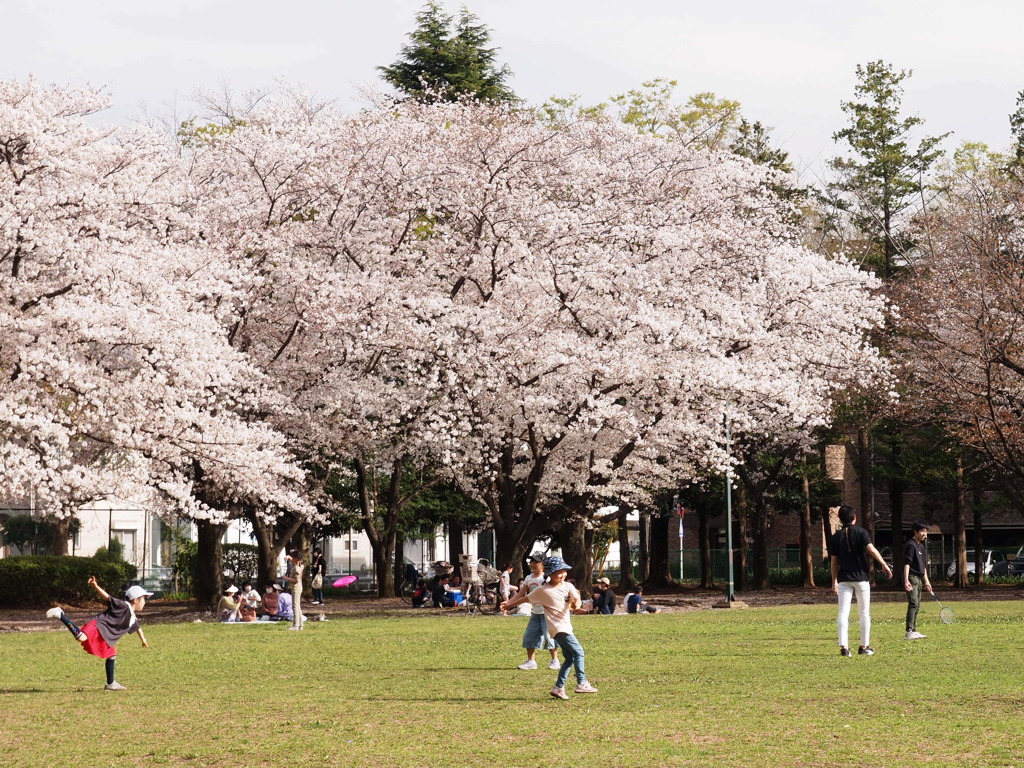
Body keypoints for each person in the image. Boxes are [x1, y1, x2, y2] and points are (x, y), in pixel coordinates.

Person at [501, 556, 596, 699]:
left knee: (570, 657)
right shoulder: (543, 590)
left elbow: (575, 606)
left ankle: (558, 688)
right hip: (557, 628)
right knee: (579, 651)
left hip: (566, 626)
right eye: (559, 572)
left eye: (564, 571)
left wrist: (576, 602)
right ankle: (581, 683)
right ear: (550, 573)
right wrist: (508, 605)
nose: (563, 574)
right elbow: (525, 598)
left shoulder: (568, 586)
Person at [46, 577, 151, 691]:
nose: (145, 602)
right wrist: (95, 586)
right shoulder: (123, 605)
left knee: (112, 654)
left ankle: (110, 684)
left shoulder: (131, 617)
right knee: (81, 638)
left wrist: (143, 640)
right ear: (135, 600)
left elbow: (137, 627)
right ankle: (60, 614)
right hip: (97, 625)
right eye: (144, 599)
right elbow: (108, 597)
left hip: (103, 634)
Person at [829, 505, 893, 657]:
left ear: (839, 518)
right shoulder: (861, 532)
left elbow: (833, 561)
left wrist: (834, 581)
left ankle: (844, 648)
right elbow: (871, 550)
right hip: (861, 578)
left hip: (844, 579)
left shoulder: (835, 537)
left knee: (843, 613)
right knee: (864, 613)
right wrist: (883, 564)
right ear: (854, 517)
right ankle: (864, 647)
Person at [513, 554, 560, 670]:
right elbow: (521, 593)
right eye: (531, 561)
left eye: (535, 562)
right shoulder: (529, 578)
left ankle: (555, 661)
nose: (532, 564)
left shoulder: (547, 578)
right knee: (529, 636)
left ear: (542, 564)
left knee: (549, 637)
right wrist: (508, 603)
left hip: (546, 613)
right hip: (535, 613)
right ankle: (531, 662)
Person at [903, 521, 933, 640]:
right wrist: (906, 580)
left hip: (920, 578)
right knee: (913, 603)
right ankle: (909, 631)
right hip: (912, 577)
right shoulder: (911, 545)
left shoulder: (921, 545)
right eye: (922, 532)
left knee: (917, 605)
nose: (925, 535)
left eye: (926, 532)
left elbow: (923, 566)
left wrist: (927, 581)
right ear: (915, 531)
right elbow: (907, 564)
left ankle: (914, 630)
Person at [283, 550, 304, 630]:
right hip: (298, 587)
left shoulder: (296, 568)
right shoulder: (300, 564)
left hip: (296, 588)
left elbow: (296, 580)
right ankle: (300, 625)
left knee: (295, 606)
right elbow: (294, 560)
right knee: (298, 606)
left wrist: (286, 578)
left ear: (296, 558)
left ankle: (296, 625)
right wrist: (289, 557)